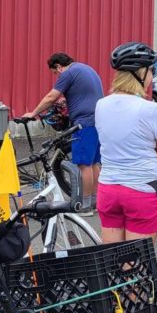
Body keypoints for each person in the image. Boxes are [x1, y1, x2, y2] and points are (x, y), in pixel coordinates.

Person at [94, 41, 157, 313]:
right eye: (151, 70)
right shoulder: (149, 108)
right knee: (137, 263)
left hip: (109, 190)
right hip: (140, 191)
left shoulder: (102, 104)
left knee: (115, 261)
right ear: (141, 73)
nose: (153, 76)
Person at [23, 52, 104, 210]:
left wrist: (33, 113)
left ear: (59, 67)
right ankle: (95, 201)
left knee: (83, 165)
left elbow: (51, 97)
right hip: (98, 121)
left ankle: (85, 204)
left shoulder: (68, 73)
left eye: (55, 73)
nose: (56, 76)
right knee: (94, 163)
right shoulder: (85, 69)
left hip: (84, 123)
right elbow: (85, 93)